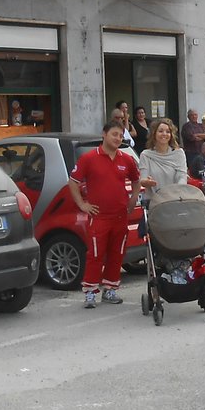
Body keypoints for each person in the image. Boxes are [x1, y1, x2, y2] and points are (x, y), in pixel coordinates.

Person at [69, 120, 140, 308]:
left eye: (120, 135)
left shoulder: (127, 159)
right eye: (114, 134)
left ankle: (110, 290)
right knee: (95, 255)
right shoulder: (89, 158)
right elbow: (73, 182)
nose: (117, 138)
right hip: (99, 217)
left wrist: (132, 200)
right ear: (104, 134)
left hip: (120, 217)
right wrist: (82, 204)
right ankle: (90, 292)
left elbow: (136, 181)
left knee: (117, 254)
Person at [137, 117, 187, 191]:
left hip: (174, 198)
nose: (164, 134)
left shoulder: (179, 153)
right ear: (154, 134)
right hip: (153, 200)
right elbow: (143, 179)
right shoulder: (145, 155)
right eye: (160, 131)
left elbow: (182, 177)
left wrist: (178, 190)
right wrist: (147, 182)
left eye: (167, 132)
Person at [181, 109, 205, 174]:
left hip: (201, 153)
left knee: (203, 171)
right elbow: (191, 137)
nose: (194, 116)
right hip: (191, 153)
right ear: (188, 117)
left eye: (195, 115)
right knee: (194, 172)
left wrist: (198, 135)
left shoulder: (201, 126)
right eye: (192, 115)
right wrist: (203, 136)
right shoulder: (186, 126)